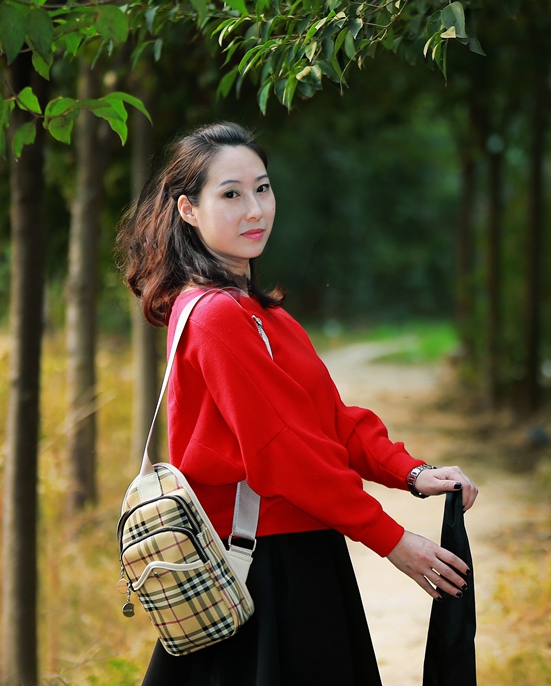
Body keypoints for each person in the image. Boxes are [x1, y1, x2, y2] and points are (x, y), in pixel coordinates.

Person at [118, 121, 478, 686]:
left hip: (301, 553)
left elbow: (332, 420)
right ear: (188, 210)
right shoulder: (215, 316)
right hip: (264, 569)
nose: (254, 209)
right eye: (230, 194)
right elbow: (282, 452)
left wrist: (411, 472)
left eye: (262, 189)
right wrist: (392, 540)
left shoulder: (264, 314)